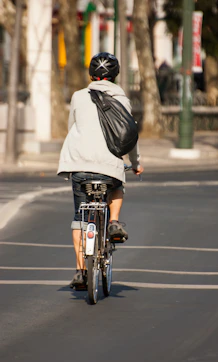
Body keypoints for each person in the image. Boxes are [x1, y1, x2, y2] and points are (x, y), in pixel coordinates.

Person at [57, 52, 144, 288]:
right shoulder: (123, 100)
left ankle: (80, 271)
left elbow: (72, 128)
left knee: (79, 218)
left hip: (79, 164)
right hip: (108, 167)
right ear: (115, 76)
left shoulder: (77, 96)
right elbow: (129, 136)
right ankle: (114, 221)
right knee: (117, 185)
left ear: (91, 74)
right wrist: (135, 164)